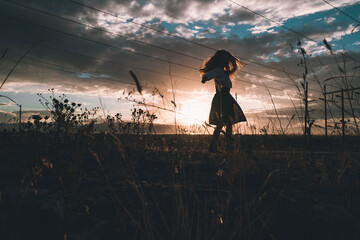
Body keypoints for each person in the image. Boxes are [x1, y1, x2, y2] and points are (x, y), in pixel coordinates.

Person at [199, 50, 247, 152]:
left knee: (226, 123)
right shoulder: (217, 70)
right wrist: (205, 78)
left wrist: (206, 78)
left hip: (225, 97)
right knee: (223, 123)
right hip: (222, 97)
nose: (226, 62)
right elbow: (209, 74)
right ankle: (221, 145)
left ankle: (221, 145)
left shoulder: (222, 71)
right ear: (220, 60)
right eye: (225, 60)